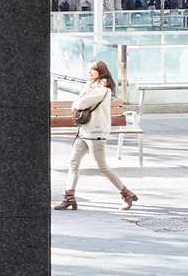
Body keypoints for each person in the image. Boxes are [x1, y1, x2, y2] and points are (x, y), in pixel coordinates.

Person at [57, 60, 137, 210]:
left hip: (95, 133)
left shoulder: (101, 89)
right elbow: (79, 103)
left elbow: (79, 105)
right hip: (84, 131)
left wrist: (76, 103)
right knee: (73, 163)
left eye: (93, 70)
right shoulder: (90, 86)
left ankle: (126, 193)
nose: (89, 72)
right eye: (88, 70)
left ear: (101, 72)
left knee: (103, 167)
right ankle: (69, 198)